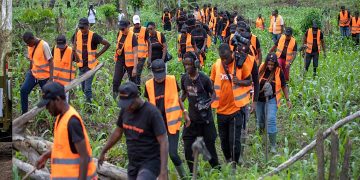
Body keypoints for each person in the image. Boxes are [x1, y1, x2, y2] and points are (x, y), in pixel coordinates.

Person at [99, 81, 169, 180]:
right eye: (125, 104)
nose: (128, 107)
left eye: (129, 104)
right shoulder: (125, 110)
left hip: (151, 162)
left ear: (137, 97)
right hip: (133, 163)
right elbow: (118, 132)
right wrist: (104, 150)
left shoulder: (152, 113)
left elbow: (163, 141)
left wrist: (163, 172)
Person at [35, 82, 97, 180]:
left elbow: (84, 157)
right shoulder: (61, 118)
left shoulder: (72, 122)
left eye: (48, 104)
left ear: (58, 100)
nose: (46, 108)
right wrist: (46, 156)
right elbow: (64, 148)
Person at [210, 44, 258, 165]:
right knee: (224, 141)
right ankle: (228, 159)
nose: (224, 61)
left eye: (226, 57)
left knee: (234, 141)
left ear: (231, 53)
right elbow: (211, 82)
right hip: (220, 110)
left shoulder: (240, 64)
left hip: (235, 110)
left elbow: (250, 81)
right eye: (222, 58)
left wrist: (240, 82)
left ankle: (235, 164)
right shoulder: (216, 65)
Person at [144, 59, 189, 178]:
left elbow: (178, 98)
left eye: (162, 75)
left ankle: (184, 176)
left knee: (173, 153)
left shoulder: (172, 80)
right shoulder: (148, 85)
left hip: (172, 122)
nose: (160, 78)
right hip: (157, 125)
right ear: (152, 73)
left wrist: (184, 111)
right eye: (157, 76)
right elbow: (149, 104)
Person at [180, 52, 219, 173]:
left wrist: (207, 104)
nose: (187, 67)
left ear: (196, 64)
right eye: (185, 65)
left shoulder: (204, 79)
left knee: (210, 148)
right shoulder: (184, 78)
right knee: (187, 147)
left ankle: (217, 171)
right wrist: (178, 103)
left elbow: (213, 94)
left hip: (205, 120)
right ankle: (193, 173)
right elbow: (184, 93)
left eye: (189, 64)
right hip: (192, 120)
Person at [256, 53, 292, 153]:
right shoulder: (261, 68)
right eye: (269, 64)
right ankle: (261, 138)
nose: (270, 66)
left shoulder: (278, 71)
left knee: (271, 119)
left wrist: (288, 100)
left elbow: (284, 86)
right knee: (260, 120)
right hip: (259, 99)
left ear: (275, 64)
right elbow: (253, 82)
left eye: (272, 64)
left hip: (272, 99)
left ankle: (273, 145)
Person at [72, 18, 110, 103]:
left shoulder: (94, 36)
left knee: (87, 89)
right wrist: (74, 52)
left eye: (83, 28)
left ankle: (90, 108)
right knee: (83, 87)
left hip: (91, 67)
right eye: (80, 28)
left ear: (88, 26)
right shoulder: (77, 34)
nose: (82, 30)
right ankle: (89, 102)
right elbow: (73, 44)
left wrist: (98, 54)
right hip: (81, 66)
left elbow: (107, 44)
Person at [21, 31, 52, 114]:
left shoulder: (44, 45)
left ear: (32, 38)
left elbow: (51, 61)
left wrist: (51, 78)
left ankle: (51, 116)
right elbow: (31, 59)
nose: (28, 45)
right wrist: (29, 71)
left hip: (44, 76)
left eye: (28, 43)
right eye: (26, 43)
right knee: (23, 90)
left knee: (48, 97)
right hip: (33, 74)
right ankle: (24, 115)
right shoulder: (30, 46)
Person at [113, 20, 138, 99]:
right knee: (116, 80)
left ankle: (134, 98)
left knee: (133, 82)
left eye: (123, 29)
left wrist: (135, 68)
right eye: (120, 29)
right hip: (120, 60)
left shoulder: (133, 36)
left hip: (130, 63)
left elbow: (135, 53)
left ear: (128, 27)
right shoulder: (119, 33)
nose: (122, 31)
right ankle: (115, 98)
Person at [52, 35, 76, 102]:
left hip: (66, 81)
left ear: (66, 43)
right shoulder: (55, 48)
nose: (60, 48)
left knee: (65, 100)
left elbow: (78, 60)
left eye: (62, 47)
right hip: (56, 79)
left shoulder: (71, 50)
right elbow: (52, 62)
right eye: (59, 46)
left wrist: (75, 52)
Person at [130, 15, 151, 86]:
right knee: (132, 73)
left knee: (138, 73)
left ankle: (137, 90)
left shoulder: (145, 30)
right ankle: (133, 88)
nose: (137, 25)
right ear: (133, 23)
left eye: (138, 23)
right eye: (135, 23)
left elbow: (149, 43)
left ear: (140, 22)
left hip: (142, 56)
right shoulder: (130, 30)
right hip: (132, 56)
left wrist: (149, 58)